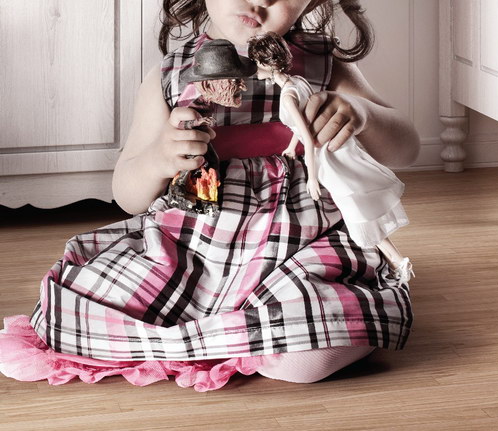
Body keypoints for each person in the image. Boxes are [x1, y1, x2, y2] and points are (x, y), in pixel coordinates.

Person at [0, 0, 419, 391]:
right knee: (88, 305)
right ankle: (244, 332)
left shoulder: (323, 65)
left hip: (301, 242)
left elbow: (406, 149)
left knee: (312, 357)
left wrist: (362, 115)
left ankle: (269, 333)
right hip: (193, 246)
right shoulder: (170, 75)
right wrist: (160, 158)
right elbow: (127, 195)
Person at [247, 31, 416, 285]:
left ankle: (396, 261)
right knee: (358, 205)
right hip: (334, 149)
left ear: (266, 64)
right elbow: (302, 126)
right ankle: (396, 260)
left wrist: (312, 177)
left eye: (257, 63)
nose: (255, 69)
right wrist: (291, 147)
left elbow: (307, 135)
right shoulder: (298, 82)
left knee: (354, 209)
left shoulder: (288, 95)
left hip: (325, 157)